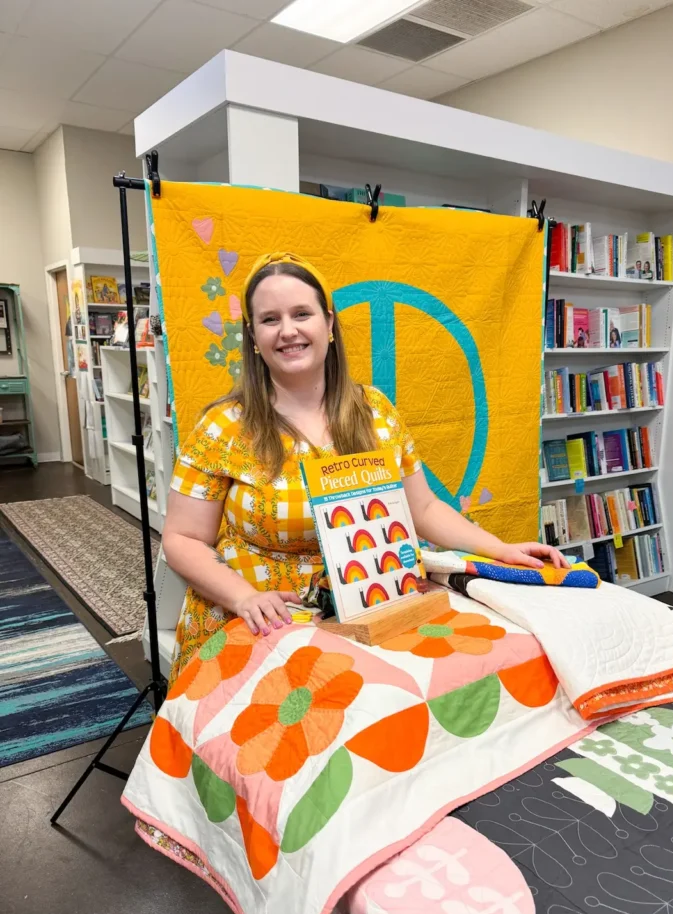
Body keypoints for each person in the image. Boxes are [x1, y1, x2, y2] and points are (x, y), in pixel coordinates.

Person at [163, 253, 568, 686]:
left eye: (302, 313)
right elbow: (182, 538)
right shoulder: (223, 426)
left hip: (366, 604)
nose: (288, 331)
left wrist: (500, 550)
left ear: (329, 325)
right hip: (256, 616)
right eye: (269, 319)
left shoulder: (375, 411)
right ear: (253, 336)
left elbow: (424, 509)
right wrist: (243, 597)